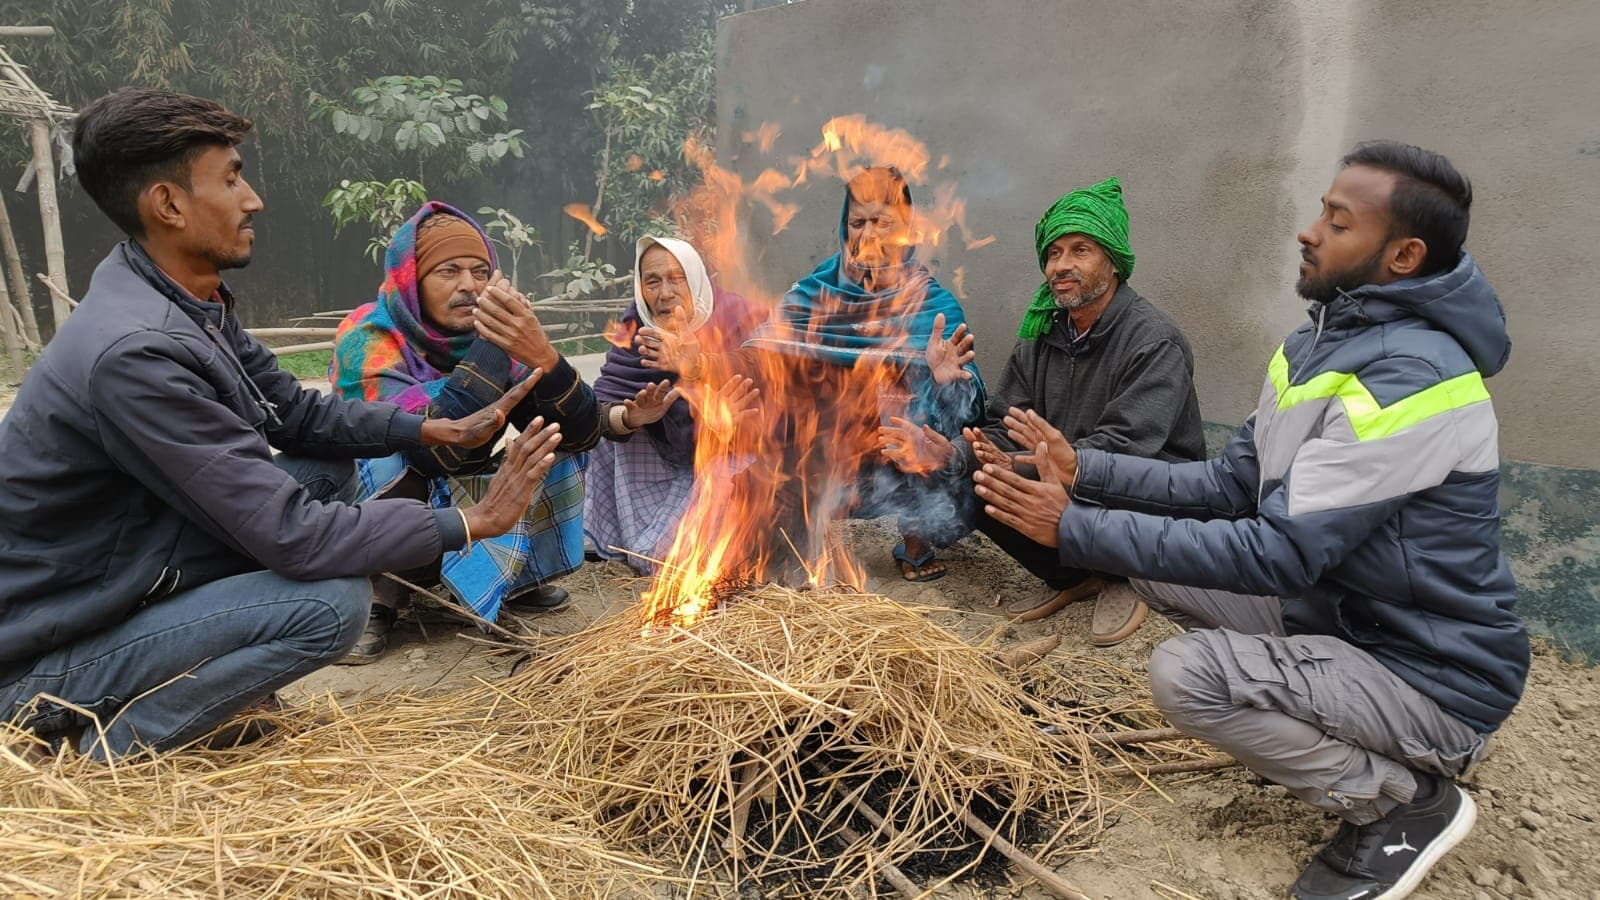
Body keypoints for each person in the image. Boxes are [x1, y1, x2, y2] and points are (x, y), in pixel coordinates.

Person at [974, 142, 1526, 899]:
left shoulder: (1413, 378)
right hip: (1345, 619)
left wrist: (1075, 527)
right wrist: (1085, 471)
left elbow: (1277, 553)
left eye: (1337, 222)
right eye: (1320, 213)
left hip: (1428, 672)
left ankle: (1403, 804)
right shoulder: (1314, 347)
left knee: (1186, 676)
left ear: (1401, 255)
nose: (1309, 232)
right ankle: (1334, 724)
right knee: (1151, 565)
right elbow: (1234, 482)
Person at [0, 89, 561, 759]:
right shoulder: (137, 353)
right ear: (168, 205)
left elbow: (294, 415)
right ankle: (95, 750)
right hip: (44, 651)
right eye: (232, 177)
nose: (253, 199)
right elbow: (294, 537)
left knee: (327, 463)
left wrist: (426, 431)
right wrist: (472, 522)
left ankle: (208, 688)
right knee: (332, 606)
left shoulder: (181, 296)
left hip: (126, 572)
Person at [891, 177, 1205, 645]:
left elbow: (1124, 451)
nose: (1062, 264)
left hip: (1142, 496)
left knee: (1046, 478)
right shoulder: (1040, 336)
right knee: (972, 480)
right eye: (1054, 252)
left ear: (1113, 262)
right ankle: (1074, 577)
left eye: (1081, 250)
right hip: (1059, 477)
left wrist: (1024, 465)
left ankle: (1130, 575)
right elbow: (1002, 425)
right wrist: (958, 454)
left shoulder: (1153, 341)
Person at [638, 166, 984, 584]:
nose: (868, 233)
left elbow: (970, 410)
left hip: (897, 448)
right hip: (822, 449)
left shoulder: (932, 304)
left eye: (882, 221)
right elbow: (763, 361)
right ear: (844, 228)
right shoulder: (815, 291)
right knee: (761, 498)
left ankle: (916, 541)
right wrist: (703, 363)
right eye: (858, 222)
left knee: (934, 449)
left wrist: (943, 382)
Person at [330, 202, 602, 662]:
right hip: (388, 494)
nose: (468, 286)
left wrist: (545, 358)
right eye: (448, 271)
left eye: (480, 271)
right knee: (389, 453)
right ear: (411, 282)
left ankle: (515, 576)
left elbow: (584, 432)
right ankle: (376, 599)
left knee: (550, 441)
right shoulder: (368, 338)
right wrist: (493, 348)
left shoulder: (494, 340)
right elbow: (427, 450)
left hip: (460, 496)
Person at [585, 236, 764, 572]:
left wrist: (712, 405)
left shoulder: (741, 318)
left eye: (676, 278)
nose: (664, 293)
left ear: (696, 278)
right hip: (670, 455)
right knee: (606, 436)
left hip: (734, 457)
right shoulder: (636, 330)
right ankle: (629, 540)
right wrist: (631, 416)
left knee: (702, 550)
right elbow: (599, 404)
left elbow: (778, 404)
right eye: (652, 281)